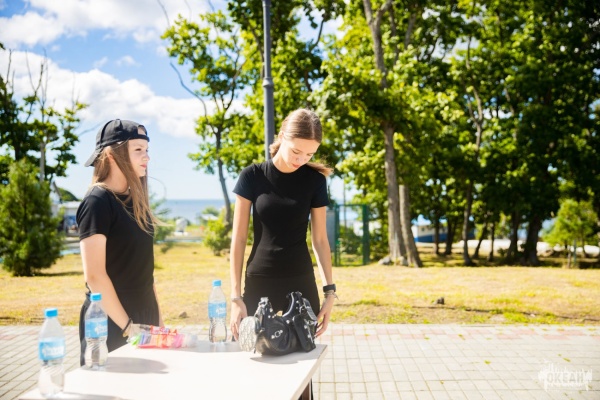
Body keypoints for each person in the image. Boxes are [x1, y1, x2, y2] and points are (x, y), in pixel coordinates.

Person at [229, 108, 338, 345]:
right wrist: (236, 297)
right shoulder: (252, 176)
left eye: (309, 154)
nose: (301, 160)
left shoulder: (315, 181)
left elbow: (320, 240)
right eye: (296, 151)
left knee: (304, 358)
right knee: (251, 355)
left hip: (301, 282)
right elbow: (238, 239)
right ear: (281, 137)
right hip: (259, 280)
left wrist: (330, 292)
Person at [76, 119, 163, 365]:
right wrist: (128, 328)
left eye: (147, 150)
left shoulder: (137, 202)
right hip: (111, 322)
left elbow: (146, 273)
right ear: (112, 155)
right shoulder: (97, 202)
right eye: (138, 150)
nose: (147, 157)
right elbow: (95, 276)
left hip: (144, 317)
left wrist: (159, 321)